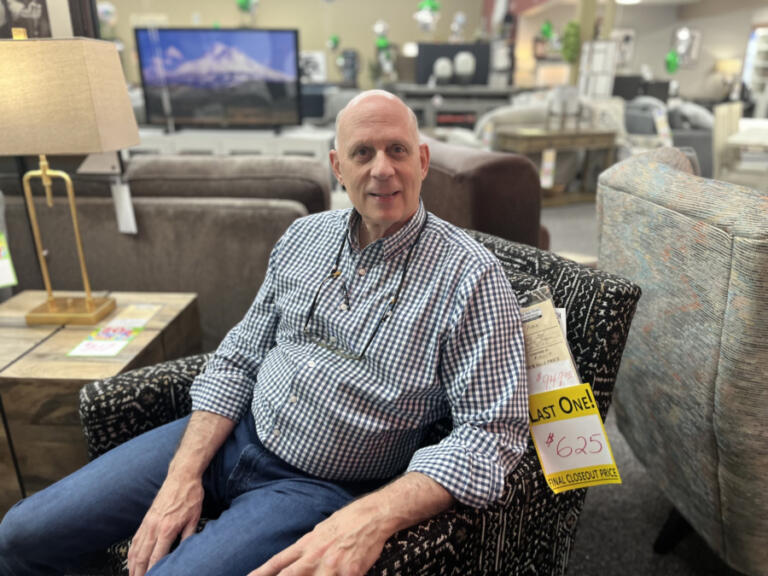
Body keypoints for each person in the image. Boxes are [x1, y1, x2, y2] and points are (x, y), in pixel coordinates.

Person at [0, 90, 528, 576]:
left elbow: (491, 434)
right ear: (337, 168)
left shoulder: (470, 278)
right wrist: (183, 476)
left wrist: (375, 514)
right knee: (19, 534)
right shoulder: (302, 235)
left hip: (317, 487)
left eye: (397, 150)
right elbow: (241, 356)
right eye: (362, 153)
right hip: (232, 436)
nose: (382, 169)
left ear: (424, 160)